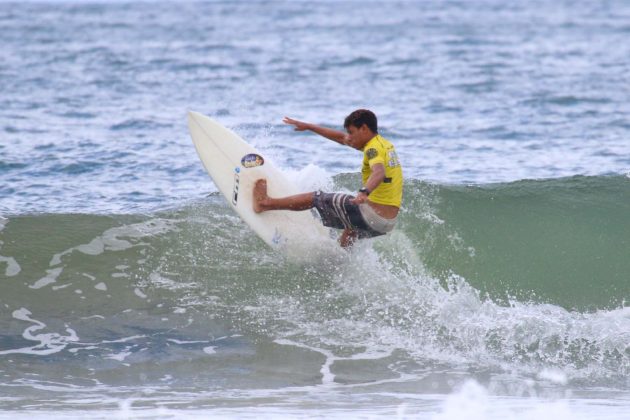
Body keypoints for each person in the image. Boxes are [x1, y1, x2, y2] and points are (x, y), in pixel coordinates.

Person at [253, 109, 403, 248]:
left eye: (351, 132)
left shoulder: (372, 149)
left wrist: (364, 192)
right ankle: (339, 262)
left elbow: (379, 172)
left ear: (364, 128)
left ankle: (265, 203)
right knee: (351, 229)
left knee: (316, 197)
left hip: (372, 214)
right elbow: (341, 138)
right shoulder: (383, 145)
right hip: (386, 223)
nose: (349, 137)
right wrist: (310, 127)